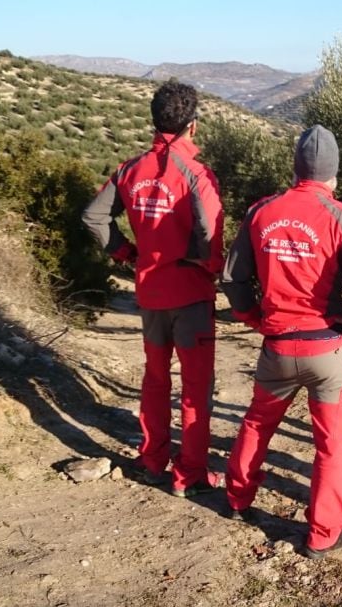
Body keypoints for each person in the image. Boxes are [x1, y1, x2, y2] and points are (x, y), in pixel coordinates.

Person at [222, 125, 342, 559]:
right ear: (333, 172)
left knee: (257, 422)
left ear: (296, 167)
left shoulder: (262, 211)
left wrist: (254, 317)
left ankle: (237, 498)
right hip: (328, 349)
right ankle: (323, 533)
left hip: (276, 347)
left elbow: (233, 277)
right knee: (331, 446)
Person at [82, 81, 225, 498]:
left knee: (155, 381)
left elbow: (94, 217)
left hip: (149, 292)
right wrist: (208, 265)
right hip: (191, 293)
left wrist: (126, 253)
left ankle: (152, 462)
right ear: (192, 126)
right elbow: (208, 231)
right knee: (196, 389)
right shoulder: (196, 175)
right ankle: (190, 474)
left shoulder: (130, 169)